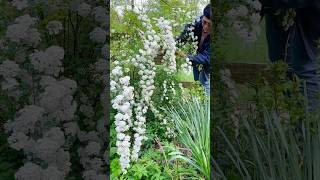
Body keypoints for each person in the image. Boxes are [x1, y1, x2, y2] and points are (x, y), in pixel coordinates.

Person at [261, 0, 320, 111]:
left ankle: (308, 126)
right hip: (274, 6)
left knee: (305, 71)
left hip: (308, 8)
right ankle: (295, 120)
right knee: (280, 67)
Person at [176, 4, 211, 95]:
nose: (205, 27)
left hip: (208, 63)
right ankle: (200, 103)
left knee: (205, 84)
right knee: (197, 82)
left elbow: (207, 57)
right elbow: (183, 37)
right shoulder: (196, 23)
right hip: (196, 58)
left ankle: (206, 105)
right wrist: (173, 46)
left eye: (210, 25)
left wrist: (185, 56)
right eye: (204, 22)